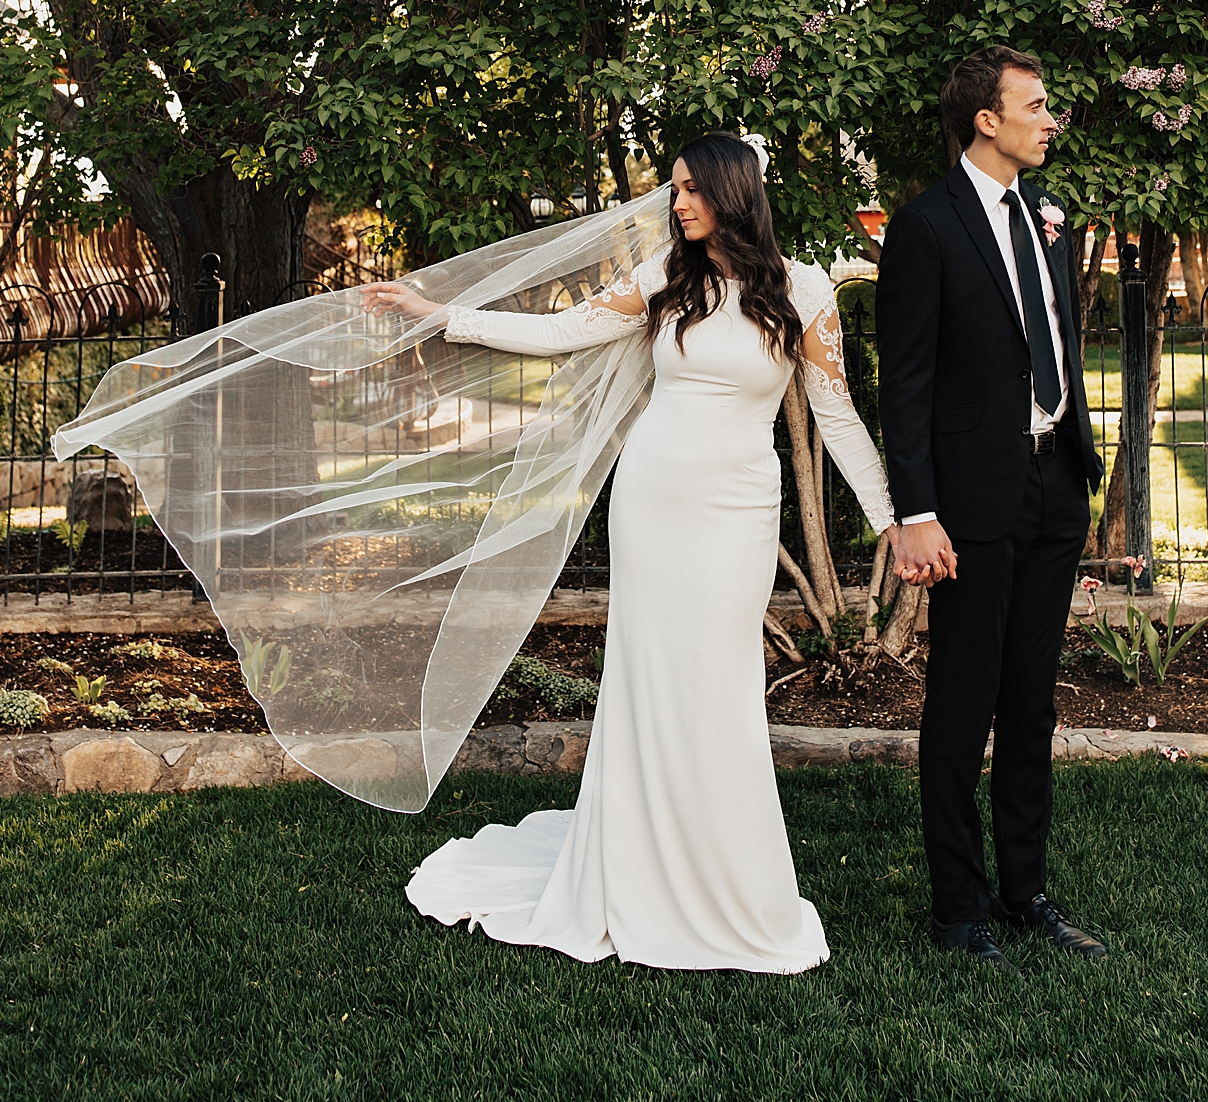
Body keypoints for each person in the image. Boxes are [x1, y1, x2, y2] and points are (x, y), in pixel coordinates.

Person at [365, 130, 901, 974]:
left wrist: (892, 519)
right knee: (648, 676)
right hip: (654, 500)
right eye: (676, 188)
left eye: (691, 189)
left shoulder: (803, 290)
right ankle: (637, 867)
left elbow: (836, 417)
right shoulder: (668, 279)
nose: (677, 202)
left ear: (734, 192)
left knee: (719, 681)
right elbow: (566, 332)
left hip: (739, 510)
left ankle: (727, 877)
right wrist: (445, 318)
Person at [876, 48, 1108, 967]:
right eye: (1036, 105)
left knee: (1030, 704)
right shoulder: (925, 227)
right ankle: (957, 908)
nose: (1050, 120)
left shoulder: (1047, 218)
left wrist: (1077, 466)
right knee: (961, 708)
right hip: (968, 503)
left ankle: (1025, 892)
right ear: (986, 118)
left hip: (1054, 486)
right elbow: (908, 385)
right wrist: (917, 510)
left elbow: (1049, 341)